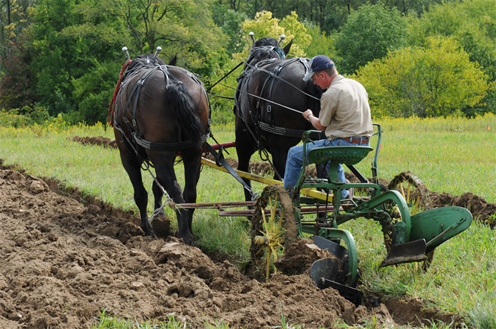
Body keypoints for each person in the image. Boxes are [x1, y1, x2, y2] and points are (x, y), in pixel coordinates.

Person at [283, 55, 374, 199]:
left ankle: (287, 198)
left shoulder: (331, 93)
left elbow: (321, 126)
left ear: (322, 75)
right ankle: (343, 195)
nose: (314, 83)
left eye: (314, 78)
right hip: (364, 145)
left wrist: (309, 116)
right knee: (332, 154)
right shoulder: (357, 85)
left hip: (343, 144)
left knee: (293, 155)